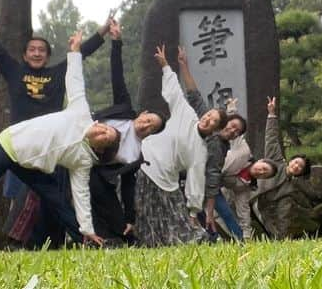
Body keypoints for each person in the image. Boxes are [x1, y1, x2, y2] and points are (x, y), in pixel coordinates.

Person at [0, 31, 118, 250]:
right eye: (105, 127)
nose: (102, 130)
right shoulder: (81, 113)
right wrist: (74, 52)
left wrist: (88, 228)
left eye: (106, 137)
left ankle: (85, 240)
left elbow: (81, 194)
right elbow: (75, 81)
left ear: (100, 149)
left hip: (30, 165)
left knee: (57, 200)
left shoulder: (83, 161)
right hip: (9, 145)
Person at [133, 44, 228, 247]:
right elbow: (175, 92)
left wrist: (194, 210)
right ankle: (148, 242)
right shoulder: (188, 114)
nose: (208, 120)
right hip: (147, 163)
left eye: (213, 122)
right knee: (147, 215)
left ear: (215, 130)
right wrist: (166, 65)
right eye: (209, 115)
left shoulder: (202, 151)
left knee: (177, 224)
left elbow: (196, 179)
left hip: (168, 180)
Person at [87, 18, 165, 244]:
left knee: (119, 222)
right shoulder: (124, 109)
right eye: (148, 119)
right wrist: (117, 42)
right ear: (143, 114)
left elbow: (129, 185)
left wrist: (130, 216)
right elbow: (117, 76)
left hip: (97, 172)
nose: (147, 125)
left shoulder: (135, 155)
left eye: (152, 128)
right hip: (79, 144)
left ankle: (112, 241)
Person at [175, 46, 247, 238]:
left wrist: (210, 201)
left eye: (236, 132)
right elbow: (194, 95)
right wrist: (184, 65)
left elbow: (213, 174)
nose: (232, 131)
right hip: (186, 177)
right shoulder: (208, 120)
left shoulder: (219, 147)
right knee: (199, 214)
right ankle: (213, 239)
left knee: (216, 212)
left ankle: (239, 239)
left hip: (206, 185)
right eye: (232, 126)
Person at [249, 96, 313, 239]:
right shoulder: (276, 161)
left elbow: (283, 212)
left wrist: (282, 235)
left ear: (300, 173)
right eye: (296, 162)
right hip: (245, 192)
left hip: (260, 208)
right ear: (290, 161)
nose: (296, 166)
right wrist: (271, 115)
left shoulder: (290, 188)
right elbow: (271, 139)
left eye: (300, 167)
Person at [219, 146, 277, 240]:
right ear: (260, 161)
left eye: (265, 175)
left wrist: (247, 235)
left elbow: (243, 210)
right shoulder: (242, 155)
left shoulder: (245, 186)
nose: (261, 172)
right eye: (264, 168)